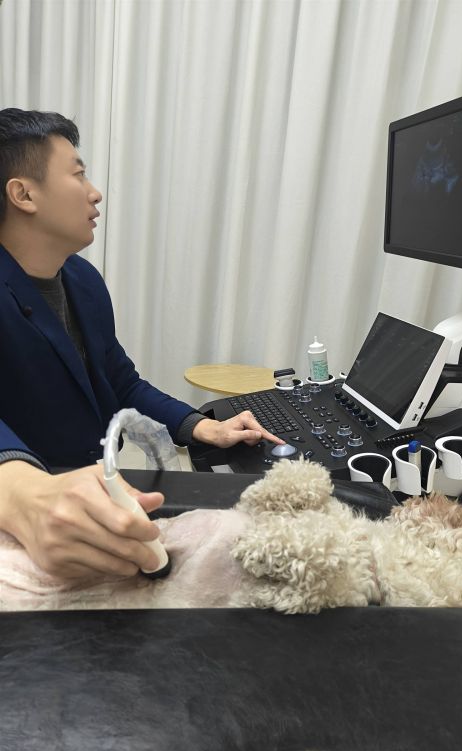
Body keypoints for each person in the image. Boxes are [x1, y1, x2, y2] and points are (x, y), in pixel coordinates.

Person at [0, 108, 283, 580]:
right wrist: (17, 485)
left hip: (94, 489)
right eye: (78, 174)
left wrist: (201, 426)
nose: (94, 192)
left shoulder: (82, 279)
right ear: (23, 194)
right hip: (30, 522)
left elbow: (121, 383)